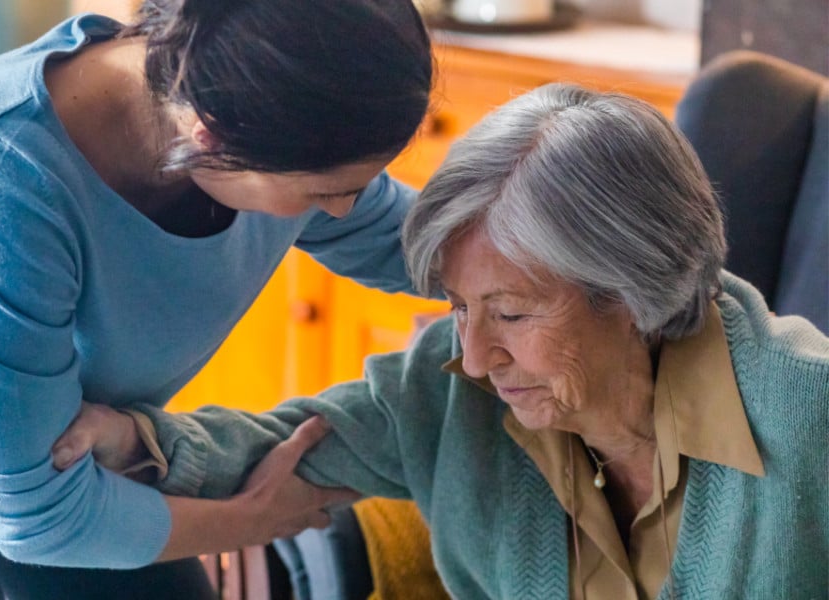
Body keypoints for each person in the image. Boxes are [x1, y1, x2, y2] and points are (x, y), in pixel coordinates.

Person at [0, 0, 433, 597]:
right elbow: (39, 521)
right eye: (324, 192)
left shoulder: (253, 114)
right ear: (214, 138)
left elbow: (426, 248)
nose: (346, 213)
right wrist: (253, 520)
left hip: (65, 466)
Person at [53, 83, 829, 599]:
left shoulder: (807, 414)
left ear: (632, 292)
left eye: (514, 313)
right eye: (459, 307)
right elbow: (293, 444)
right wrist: (130, 441)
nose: (478, 356)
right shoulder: (451, 387)